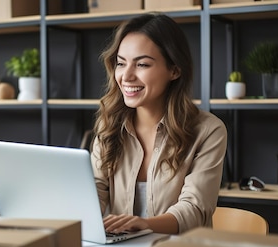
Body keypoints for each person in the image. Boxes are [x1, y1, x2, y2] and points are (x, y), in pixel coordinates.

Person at [90, 12, 228, 235]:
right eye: (121, 63)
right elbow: (93, 193)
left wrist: (145, 225)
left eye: (142, 64)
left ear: (174, 70)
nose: (126, 76)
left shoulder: (208, 131)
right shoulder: (109, 127)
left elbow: (195, 210)